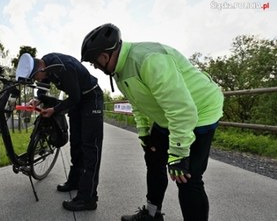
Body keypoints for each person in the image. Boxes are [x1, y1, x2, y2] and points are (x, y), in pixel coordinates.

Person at [81, 23, 224, 221]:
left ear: (104, 55)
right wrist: (144, 132)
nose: (95, 66)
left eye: (94, 61)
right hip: (168, 115)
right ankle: (152, 214)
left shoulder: (149, 60)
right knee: (154, 159)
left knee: (186, 177)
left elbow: (183, 110)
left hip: (200, 111)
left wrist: (178, 153)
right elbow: (138, 103)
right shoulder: (120, 71)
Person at [16, 53, 104, 211]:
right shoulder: (48, 66)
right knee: (76, 143)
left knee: (90, 147)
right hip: (77, 100)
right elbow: (44, 86)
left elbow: (75, 97)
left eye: (36, 76)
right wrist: (39, 99)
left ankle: (88, 198)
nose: (37, 80)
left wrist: (55, 109)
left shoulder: (64, 68)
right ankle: (75, 181)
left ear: (40, 67)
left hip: (91, 98)